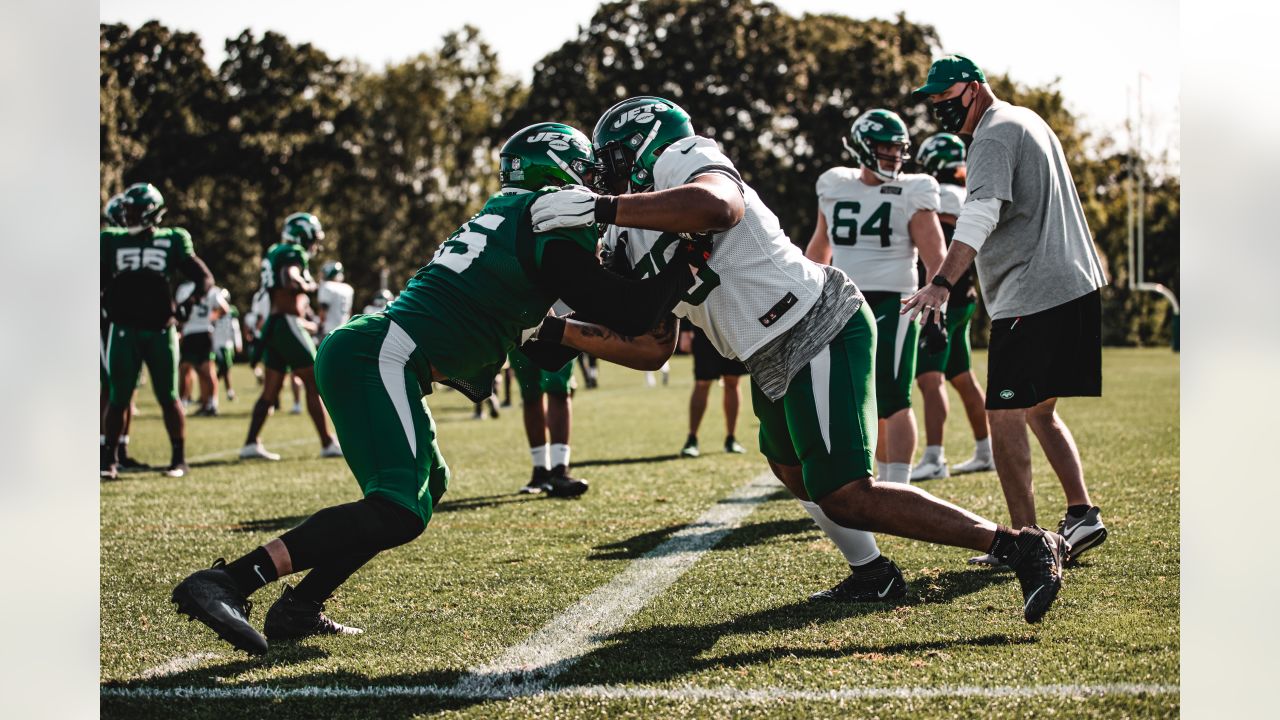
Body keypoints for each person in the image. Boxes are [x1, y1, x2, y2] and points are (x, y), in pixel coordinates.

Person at [170, 121, 704, 655]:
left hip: (381, 354)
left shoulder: (509, 220)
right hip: (380, 354)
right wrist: (684, 257)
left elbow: (552, 340)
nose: (592, 183)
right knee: (397, 506)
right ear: (557, 169)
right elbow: (628, 312)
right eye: (584, 170)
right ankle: (232, 581)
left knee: (424, 491)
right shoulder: (543, 221)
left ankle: (300, 607)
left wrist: (630, 321)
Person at [528, 96, 1067, 621]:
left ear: (638, 146)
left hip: (816, 323)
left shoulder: (682, 157)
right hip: (763, 349)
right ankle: (873, 573)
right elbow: (653, 346)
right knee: (791, 469)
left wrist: (603, 207)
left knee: (847, 493)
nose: (605, 176)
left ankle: (1020, 544)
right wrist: (557, 331)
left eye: (612, 162)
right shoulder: (629, 228)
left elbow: (719, 206)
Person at [904, 55, 1108, 562]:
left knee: (1005, 417)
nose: (939, 110)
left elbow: (979, 213)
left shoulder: (992, 134)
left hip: (1033, 291)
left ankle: (1025, 543)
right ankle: (1083, 516)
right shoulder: (1028, 119)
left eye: (946, 99)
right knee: (1039, 411)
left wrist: (942, 282)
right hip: (1074, 285)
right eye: (933, 102)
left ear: (974, 89)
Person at [804, 109, 946, 486]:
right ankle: (875, 482)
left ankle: (898, 487)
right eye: (885, 148)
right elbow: (820, 247)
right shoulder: (834, 184)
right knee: (856, 395)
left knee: (893, 392)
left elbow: (936, 259)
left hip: (897, 300)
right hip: (843, 301)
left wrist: (937, 311)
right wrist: (803, 296)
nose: (894, 156)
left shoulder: (913, 190)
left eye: (898, 149)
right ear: (864, 148)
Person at [101, 182, 215, 479]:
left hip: (160, 329)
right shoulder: (111, 240)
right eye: (127, 210)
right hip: (123, 328)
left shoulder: (172, 239)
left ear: (152, 213)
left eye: (135, 210)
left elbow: (203, 277)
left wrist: (190, 303)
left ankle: (178, 459)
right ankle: (109, 459)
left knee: (169, 395)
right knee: (118, 396)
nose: (128, 216)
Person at [909, 133, 995, 480]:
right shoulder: (967, 192)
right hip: (966, 298)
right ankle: (986, 449)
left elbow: (937, 242)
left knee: (930, 380)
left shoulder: (942, 195)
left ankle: (934, 457)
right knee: (962, 376)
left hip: (942, 297)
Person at [239, 213, 342, 461]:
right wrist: (308, 285)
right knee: (315, 381)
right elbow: (289, 277)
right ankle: (328, 442)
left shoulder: (275, 250)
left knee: (270, 390)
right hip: (288, 324)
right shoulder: (292, 252)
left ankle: (251, 443)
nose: (314, 244)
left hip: (274, 327)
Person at [511, 299, 587, 496]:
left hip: (562, 311)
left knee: (558, 388)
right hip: (520, 312)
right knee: (530, 393)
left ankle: (560, 469)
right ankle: (540, 471)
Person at [100, 193, 146, 472]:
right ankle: (106, 449)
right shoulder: (109, 242)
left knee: (128, 388)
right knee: (112, 386)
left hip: (129, 324)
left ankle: (122, 448)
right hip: (108, 323)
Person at [678, 323, 747, 458]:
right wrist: (685, 331)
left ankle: (731, 438)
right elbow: (686, 300)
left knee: (732, 382)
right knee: (702, 383)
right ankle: (692, 439)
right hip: (705, 327)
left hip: (733, 328)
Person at [176, 281, 229, 416]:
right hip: (200, 332)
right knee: (196, 370)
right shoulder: (211, 290)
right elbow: (224, 308)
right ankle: (205, 403)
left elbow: (224, 308)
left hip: (196, 332)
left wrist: (210, 318)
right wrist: (210, 318)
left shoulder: (185, 289)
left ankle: (209, 403)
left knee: (197, 370)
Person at [212, 290, 243, 402]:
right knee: (225, 368)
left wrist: (238, 343)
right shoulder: (214, 312)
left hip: (227, 343)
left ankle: (214, 388)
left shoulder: (231, 313)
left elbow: (235, 329)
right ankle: (227, 391)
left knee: (225, 368)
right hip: (217, 343)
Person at [316, 261, 354, 341]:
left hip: (329, 331)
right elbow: (349, 312)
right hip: (344, 329)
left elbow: (323, 312)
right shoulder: (348, 289)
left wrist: (319, 326)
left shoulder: (327, 286)